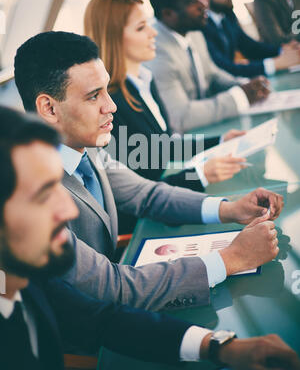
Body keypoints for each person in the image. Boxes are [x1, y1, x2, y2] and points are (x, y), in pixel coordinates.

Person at [1, 106, 299, 370]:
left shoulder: (26, 274)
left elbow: (102, 319)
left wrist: (220, 346)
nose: (67, 211)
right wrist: (229, 259)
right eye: (42, 196)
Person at [14, 31, 284, 313]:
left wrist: (230, 209)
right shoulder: (28, 194)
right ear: (48, 108)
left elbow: (147, 194)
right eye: (94, 96)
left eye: (106, 90)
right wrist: (231, 259)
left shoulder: (83, 147)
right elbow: (110, 287)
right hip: (87, 337)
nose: (112, 106)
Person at [84, 0, 247, 197]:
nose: (153, 33)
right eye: (141, 28)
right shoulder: (111, 105)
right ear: (114, 37)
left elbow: (160, 149)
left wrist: (220, 141)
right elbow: (138, 188)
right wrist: (199, 175)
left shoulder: (145, 81)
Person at [146, 0, 270, 134]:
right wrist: (239, 97)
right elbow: (181, 117)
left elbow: (212, 74)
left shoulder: (193, 30)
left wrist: (244, 85)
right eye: (192, 2)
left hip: (210, 127)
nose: (203, 5)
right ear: (168, 13)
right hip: (186, 142)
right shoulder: (156, 51)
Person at [192, 0, 300, 78]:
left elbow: (249, 47)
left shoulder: (227, 14)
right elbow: (224, 68)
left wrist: (283, 50)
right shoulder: (200, 26)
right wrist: (274, 64)